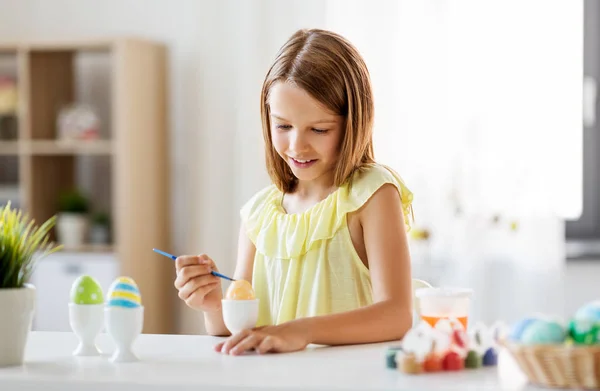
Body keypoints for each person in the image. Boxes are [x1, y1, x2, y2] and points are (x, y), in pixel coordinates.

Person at [174, 28, 415, 355]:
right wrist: (212, 302)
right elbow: (230, 325)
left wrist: (301, 331)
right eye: (283, 126)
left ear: (353, 122)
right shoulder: (259, 215)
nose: (297, 145)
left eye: (319, 129)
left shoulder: (371, 195)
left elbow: (396, 315)